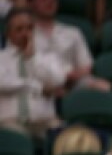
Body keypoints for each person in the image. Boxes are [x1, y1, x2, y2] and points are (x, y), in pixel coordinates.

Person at [0, 8, 64, 139]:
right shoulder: (1, 58)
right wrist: (37, 87)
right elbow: (3, 83)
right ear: (8, 34)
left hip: (45, 121)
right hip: (11, 121)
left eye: (29, 28)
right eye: (19, 29)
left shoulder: (48, 57)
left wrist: (32, 59)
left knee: (66, 139)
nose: (26, 33)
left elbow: (56, 80)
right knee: (16, 138)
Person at [31, 0, 109, 92]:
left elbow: (87, 66)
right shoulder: (26, 33)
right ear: (31, 3)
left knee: (104, 86)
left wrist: (72, 76)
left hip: (72, 84)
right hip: (38, 83)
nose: (50, 2)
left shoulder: (73, 33)